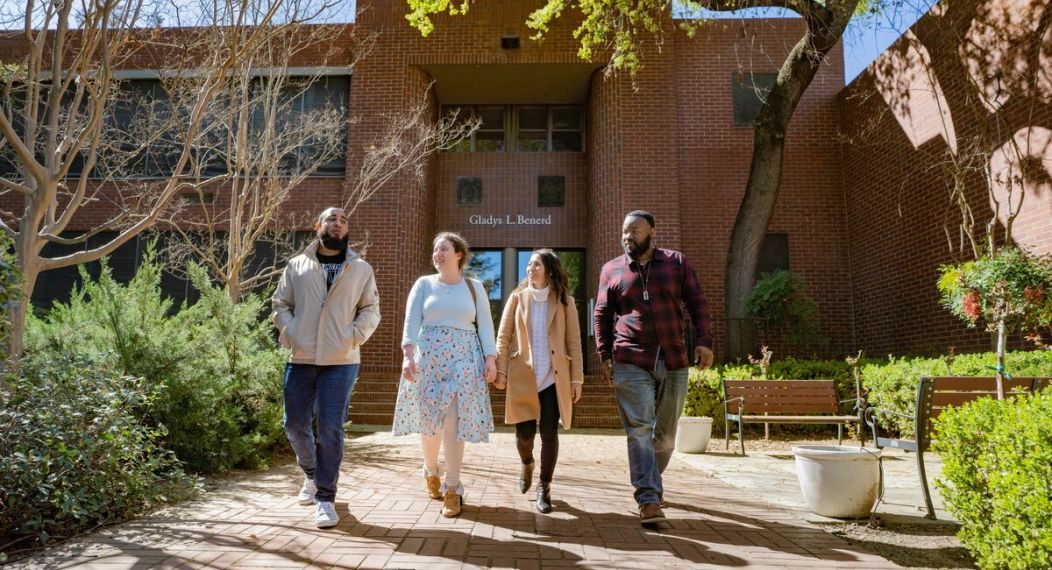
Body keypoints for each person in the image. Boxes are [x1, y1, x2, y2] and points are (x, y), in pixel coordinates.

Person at [593, 210, 715, 525]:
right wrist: (605, 354)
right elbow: (602, 315)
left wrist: (704, 340)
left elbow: (697, 302)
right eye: (624, 231)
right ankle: (647, 498)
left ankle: (651, 481)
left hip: (674, 359)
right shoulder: (612, 270)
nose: (627, 236)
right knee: (639, 430)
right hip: (630, 359)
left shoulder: (676, 263)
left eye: (635, 230)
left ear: (652, 233)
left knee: (666, 438)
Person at [272, 207, 381, 529]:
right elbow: (280, 303)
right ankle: (310, 474)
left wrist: (354, 336)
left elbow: (371, 308)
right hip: (302, 357)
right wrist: (291, 332)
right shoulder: (297, 265)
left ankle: (325, 498)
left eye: (344, 220)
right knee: (294, 424)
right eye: (332, 219)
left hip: (341, 360)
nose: (338, 223)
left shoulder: (360, 268)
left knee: (330, 428)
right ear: (318, 225)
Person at [393, 232, 497, 518]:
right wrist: (407, 355)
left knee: (454, 420)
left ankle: (453, 487)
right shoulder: (424, 285)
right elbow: (411, 321)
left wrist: (491, 358)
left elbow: (486, 326)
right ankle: (430, 469)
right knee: (430, 423)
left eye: (444, 249)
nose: (437, 254)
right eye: (435, 250)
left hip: (464, 359)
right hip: (430, 360)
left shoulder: (474, 287)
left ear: (459, 254)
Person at [494, 249, 585, 513]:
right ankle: (527, 464)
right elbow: (504, 336)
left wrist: (576, 379)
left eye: (536, 265)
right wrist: (500, 371)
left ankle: (544, 486)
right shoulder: (517, 298)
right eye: (529, 265)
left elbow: (574, 343)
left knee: (549, 433)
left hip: (554, 379)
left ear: (550, 270)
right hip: (523, 375)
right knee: (524, 435)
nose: (530, 269)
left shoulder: (565, 303)